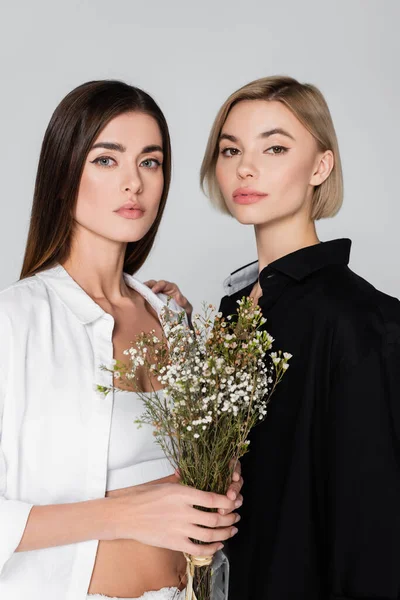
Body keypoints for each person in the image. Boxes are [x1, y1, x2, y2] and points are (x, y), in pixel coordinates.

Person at [148, 75, 400, 599]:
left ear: (320, 166)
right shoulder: (238, 309)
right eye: (230, 149)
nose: (245, 166)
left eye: (275, 147)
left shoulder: (360, 321)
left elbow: (374, 535)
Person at [0, 80, 243, 600]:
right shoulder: (14, 321)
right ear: (65, 172)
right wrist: (128, 514)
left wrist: (219, 482)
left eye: (150, 162)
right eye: (107, 160)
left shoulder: (173, 320)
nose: (133, 182)